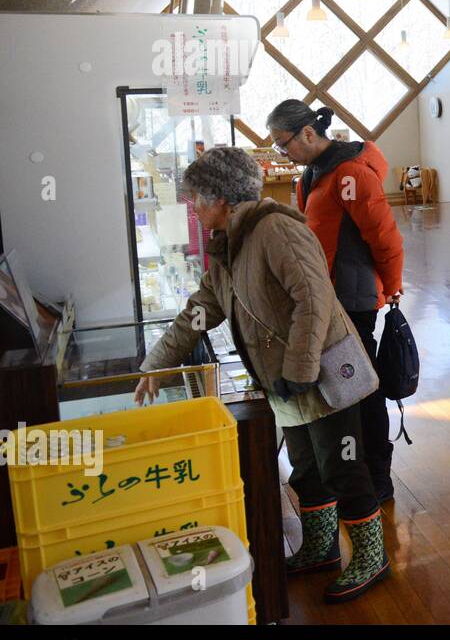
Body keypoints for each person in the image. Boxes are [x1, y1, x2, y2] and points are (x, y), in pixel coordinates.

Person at [134, 146, 390, 604]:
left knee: (343, 468)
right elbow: (201, 311)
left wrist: (300, 369)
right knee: (306, 469)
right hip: (286, 380)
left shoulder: (274, 230)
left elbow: (314, 300)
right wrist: (156, 364)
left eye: (197, 198)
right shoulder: (230, 244)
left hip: (323, 373)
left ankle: (373, 557)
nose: (194, 208)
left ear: (221, 199)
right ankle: (320, 547)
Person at [265, 101, 404, 503]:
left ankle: (378, 475)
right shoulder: (313, 173)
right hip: (326, 296)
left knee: (362, 389)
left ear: (308, 133)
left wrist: (392, 285)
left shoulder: (351, 174)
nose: (282, 152)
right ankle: (354, 470)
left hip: (354, 297)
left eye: (283, 143)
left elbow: (385, 236)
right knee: (348, 387)